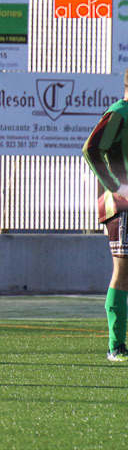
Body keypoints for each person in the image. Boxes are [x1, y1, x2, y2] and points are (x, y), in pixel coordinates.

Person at [82, 69, 128, 361]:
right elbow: (91, 149)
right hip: (123, 206)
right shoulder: (120, 112)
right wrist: (116, 186)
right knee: (123, 273)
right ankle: (116, 346)